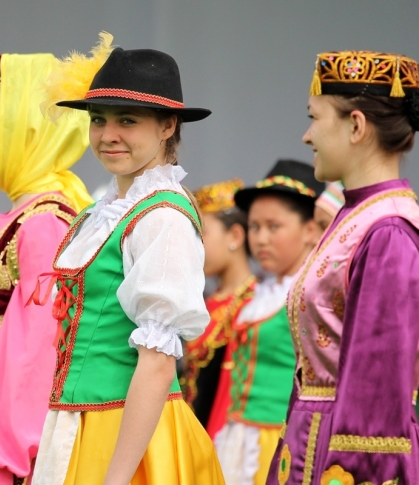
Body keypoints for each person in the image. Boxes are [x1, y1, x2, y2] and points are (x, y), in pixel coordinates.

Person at [30, 34, 225, 485]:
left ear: (167, 126)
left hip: (127, 433)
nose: (108, 135)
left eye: (128, 120)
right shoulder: (105, 213)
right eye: (98, 120)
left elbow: (157, 364)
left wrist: (116, 478)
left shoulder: (162, 218)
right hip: (79, 425)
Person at [267, 51, 419, 485]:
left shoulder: (387, 229)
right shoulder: (358, 216)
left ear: (356, 126)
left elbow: (377, 387)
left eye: (315, 118)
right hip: (308, 442)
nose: (306, 135)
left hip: (343, 460)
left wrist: (350, 471)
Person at [0, 52, 93, 485]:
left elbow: (34, 361)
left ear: (28, 134)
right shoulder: (24, 214)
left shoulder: (45, 223)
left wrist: (3, 467)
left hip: (2, 457)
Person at [213, 159, 322, 484]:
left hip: (281, 439)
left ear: (310, 229)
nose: (260, 239)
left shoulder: (312, 295)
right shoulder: (260, 292)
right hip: (238, 436)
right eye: (255, 227)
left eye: (274, 227)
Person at [182, 179, 255, 439]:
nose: (195, 246)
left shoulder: (255, 305)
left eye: (203, 234)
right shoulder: (203, 303)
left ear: (235, 236)